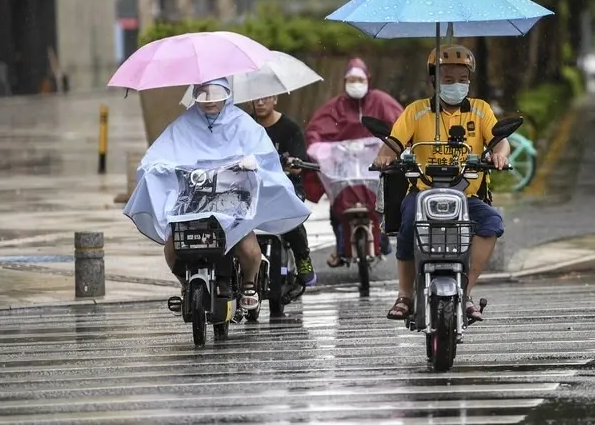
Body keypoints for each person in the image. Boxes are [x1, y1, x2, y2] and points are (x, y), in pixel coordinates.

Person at [124, 78, 312, 311]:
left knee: (249, 249)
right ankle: (185, 285)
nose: (210, 100)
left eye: (216, 93)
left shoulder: (242, 123)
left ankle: (249, 284)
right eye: (204, 94)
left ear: (227, 94)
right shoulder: (183, 125)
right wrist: (158, 168)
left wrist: (252, 162)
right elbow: (157, 155)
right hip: (192, 206)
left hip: (232, 205)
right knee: (172, 248)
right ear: (195, 94)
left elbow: (264, 154)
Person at [373, 45, 510, 323]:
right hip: (423, 193)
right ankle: (404, 295)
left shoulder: (481, 110)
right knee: (407, 223)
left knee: (492, 223)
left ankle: (466, 291)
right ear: (434, 80)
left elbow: (500, 142)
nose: (456, 85)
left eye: (462, 79)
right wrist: (385, 157)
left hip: (466, 196)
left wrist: (499, 155)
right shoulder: (416, 111)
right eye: (448, 79)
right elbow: (392, 145)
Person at [304, 58, 403, 267]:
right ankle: (341, 246)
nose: (355, 84)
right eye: (351, 80)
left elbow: (401, 125)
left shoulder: (381, 102)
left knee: (385, 201)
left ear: (368, 80)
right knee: (337, 205)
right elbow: (316, 131)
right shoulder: (335, 106)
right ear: (344, 81)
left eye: (360, 79)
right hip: (345, 169)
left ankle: (382, 239)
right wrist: (321, 150)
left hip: (375, 166)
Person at [251, 94, 317, 287]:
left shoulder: (290, 128)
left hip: (286, 186)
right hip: (254, 186)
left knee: (291, 210)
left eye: (265, 98)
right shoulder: (244, 127)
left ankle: (302, 256)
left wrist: (291, 163)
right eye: (256, 98)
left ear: (275, 99)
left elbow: (298, 166)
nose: (260, 102)